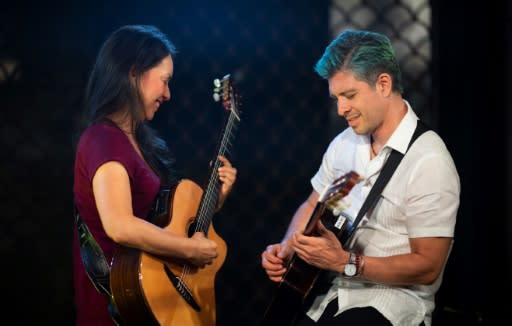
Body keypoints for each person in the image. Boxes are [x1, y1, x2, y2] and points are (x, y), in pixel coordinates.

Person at [261, 29, 460, 326]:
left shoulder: (428, 160)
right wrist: (289, 246)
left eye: (349, 95)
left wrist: (346, 262)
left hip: (394, 302)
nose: (341, 109)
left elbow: (427, 266)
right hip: (331, 292)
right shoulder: (345, 146)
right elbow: (317, 203)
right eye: (336, 98)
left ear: (383, 84)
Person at [72, 24, 237, 325]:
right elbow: (120, 225)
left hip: (147, 306)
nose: (168, 93)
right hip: (118, 311)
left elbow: (156, 222)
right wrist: (190, 249)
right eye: (164, 81)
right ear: (134, 74)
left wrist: (215, 201)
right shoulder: (104, 140)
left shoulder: (133, 141)